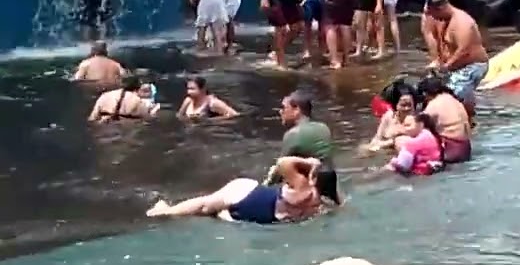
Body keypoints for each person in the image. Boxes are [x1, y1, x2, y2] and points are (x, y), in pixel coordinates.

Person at [146, 156, 338, 224]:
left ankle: (165, 211)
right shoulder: (320, 202)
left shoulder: (305, 187)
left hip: (250, 193)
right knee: (209, 209)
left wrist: (311, 164)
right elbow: (340, 201)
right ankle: (225, 214)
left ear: (315, 179)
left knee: (204, 205)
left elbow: (282, 162)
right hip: (260, 212)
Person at [424, 0, 489, 115]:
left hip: (473, 66)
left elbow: (464, 51)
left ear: (440, 9)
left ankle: (466, 120)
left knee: (452, 96)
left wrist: (446, 67)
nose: (433, 18)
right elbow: (442, 44)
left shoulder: (462, 22)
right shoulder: (445, 20)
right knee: (431, 88)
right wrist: (438, 61)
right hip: (455, 67)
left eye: (434, 14)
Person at [420, 69, 473, 163]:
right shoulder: (454, 100)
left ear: (425, 94)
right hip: (466, 149)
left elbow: (417, 126)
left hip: (451, 151)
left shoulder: (433, 105)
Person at [277, 91, 333, 165]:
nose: (280, 112)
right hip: (330, 174)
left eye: (283, 108)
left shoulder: (293, 134)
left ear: (296, 110)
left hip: (311, 175)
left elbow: (281, 167)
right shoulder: (324, 127)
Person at [385, 112, 444, 176]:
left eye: (408, 125)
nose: (405, 129)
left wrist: (393, 161)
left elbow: (403, 165)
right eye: (404, 125)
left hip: (418, 176)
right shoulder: (434, 136)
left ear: (420, 125)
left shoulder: (412, 143)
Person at [88, 75, 159, 122]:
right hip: (126, 129)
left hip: (104, 127)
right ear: (138, 87)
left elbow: (92, 118)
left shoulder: (105, 96)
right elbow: (147, 119)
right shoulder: (137, 101)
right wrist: (154, 111)